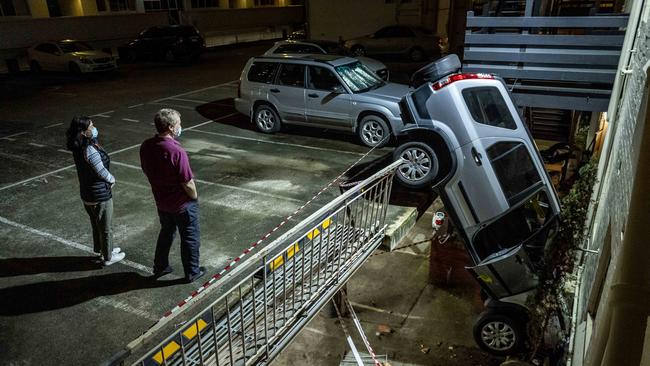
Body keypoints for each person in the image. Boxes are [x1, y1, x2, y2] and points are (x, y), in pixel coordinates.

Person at [140, 108, 205, 283]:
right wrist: (193, 197)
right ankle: (192, 272)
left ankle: (160, 266)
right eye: (178, 124)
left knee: (166, 233)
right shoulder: (176, 151)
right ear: (170, 127)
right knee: (190, 238)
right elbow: (187, 182)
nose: (180, 127)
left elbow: (146, 169)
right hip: (181, 205)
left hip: (162, 202)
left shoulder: (146, 146)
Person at [66, 116, 125, 266]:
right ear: (84, 132)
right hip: (99, 194)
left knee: (96, 224)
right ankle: (108, 257)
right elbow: (100, 171)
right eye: (91, 126)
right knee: (105, 227)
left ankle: (104, 250)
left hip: (87, 193)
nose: (94, 128)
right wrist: (112, 179)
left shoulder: (78, 146)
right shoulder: (89, 149)